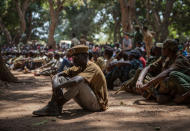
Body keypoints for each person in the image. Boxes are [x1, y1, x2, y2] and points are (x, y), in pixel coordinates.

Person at [33, 45, 108, 116]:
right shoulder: (78, 67)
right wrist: (56, 85)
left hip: (97, 105)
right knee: (61, 79)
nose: (73, 59)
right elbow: (58, 75)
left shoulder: (92, 67)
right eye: (73, 57)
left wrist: (58, 86)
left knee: (79, 82)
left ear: (84, 56)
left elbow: (76, 81)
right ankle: (54, 106)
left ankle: (55, 106)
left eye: (76, 57)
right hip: (87, 102)